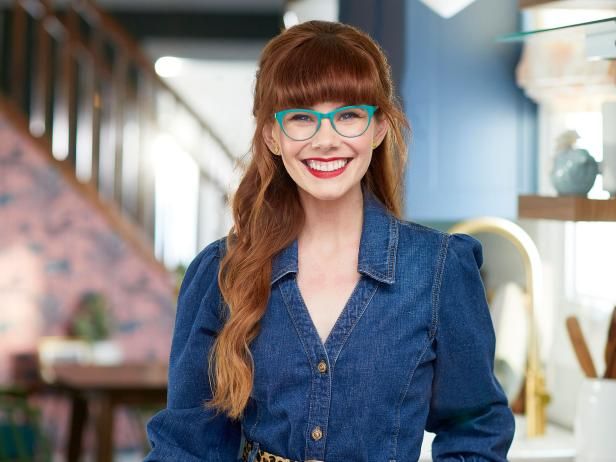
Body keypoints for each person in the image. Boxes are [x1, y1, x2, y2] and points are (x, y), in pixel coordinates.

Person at [144, 20, 514, 462]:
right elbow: (187, 446)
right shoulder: (221, 273)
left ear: (377, 129)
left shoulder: (438, 271)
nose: (326, 140)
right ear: (272, 136)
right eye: (301, 117)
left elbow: (476, 429)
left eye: (348, 116)